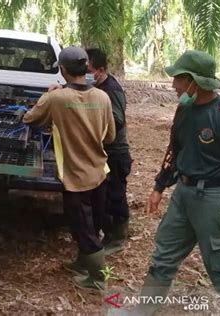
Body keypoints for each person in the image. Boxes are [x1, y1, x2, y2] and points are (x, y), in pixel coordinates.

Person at [113, 50, 220, 316]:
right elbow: (174, 150)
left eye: (179, 79)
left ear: (194, 80)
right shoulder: (184, 110)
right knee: (163, 257)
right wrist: (159, 186)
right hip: (183, 195)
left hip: (214, 201)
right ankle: (141, 312)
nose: (173, 86)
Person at [23, 46, 116, 290]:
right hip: (99, 172)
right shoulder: (102, 97)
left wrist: (49, 94)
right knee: (93, 225)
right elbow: (110, 137)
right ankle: (83, 264)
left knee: (83, 230)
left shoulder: (57, 98)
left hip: (76, 178)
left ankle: (98, 280)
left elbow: (30, 119)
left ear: (63, 70)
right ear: (86, 67)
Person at [86, 48, 132, 256]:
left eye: (89, 70)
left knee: (115, 194)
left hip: (115, 152)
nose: (85, 74)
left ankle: (118, 238)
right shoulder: (96, 87)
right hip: (102, 150)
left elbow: (117, 120)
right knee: (103, 195)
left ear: (101, 70)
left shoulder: (110, 89)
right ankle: (107, 233)